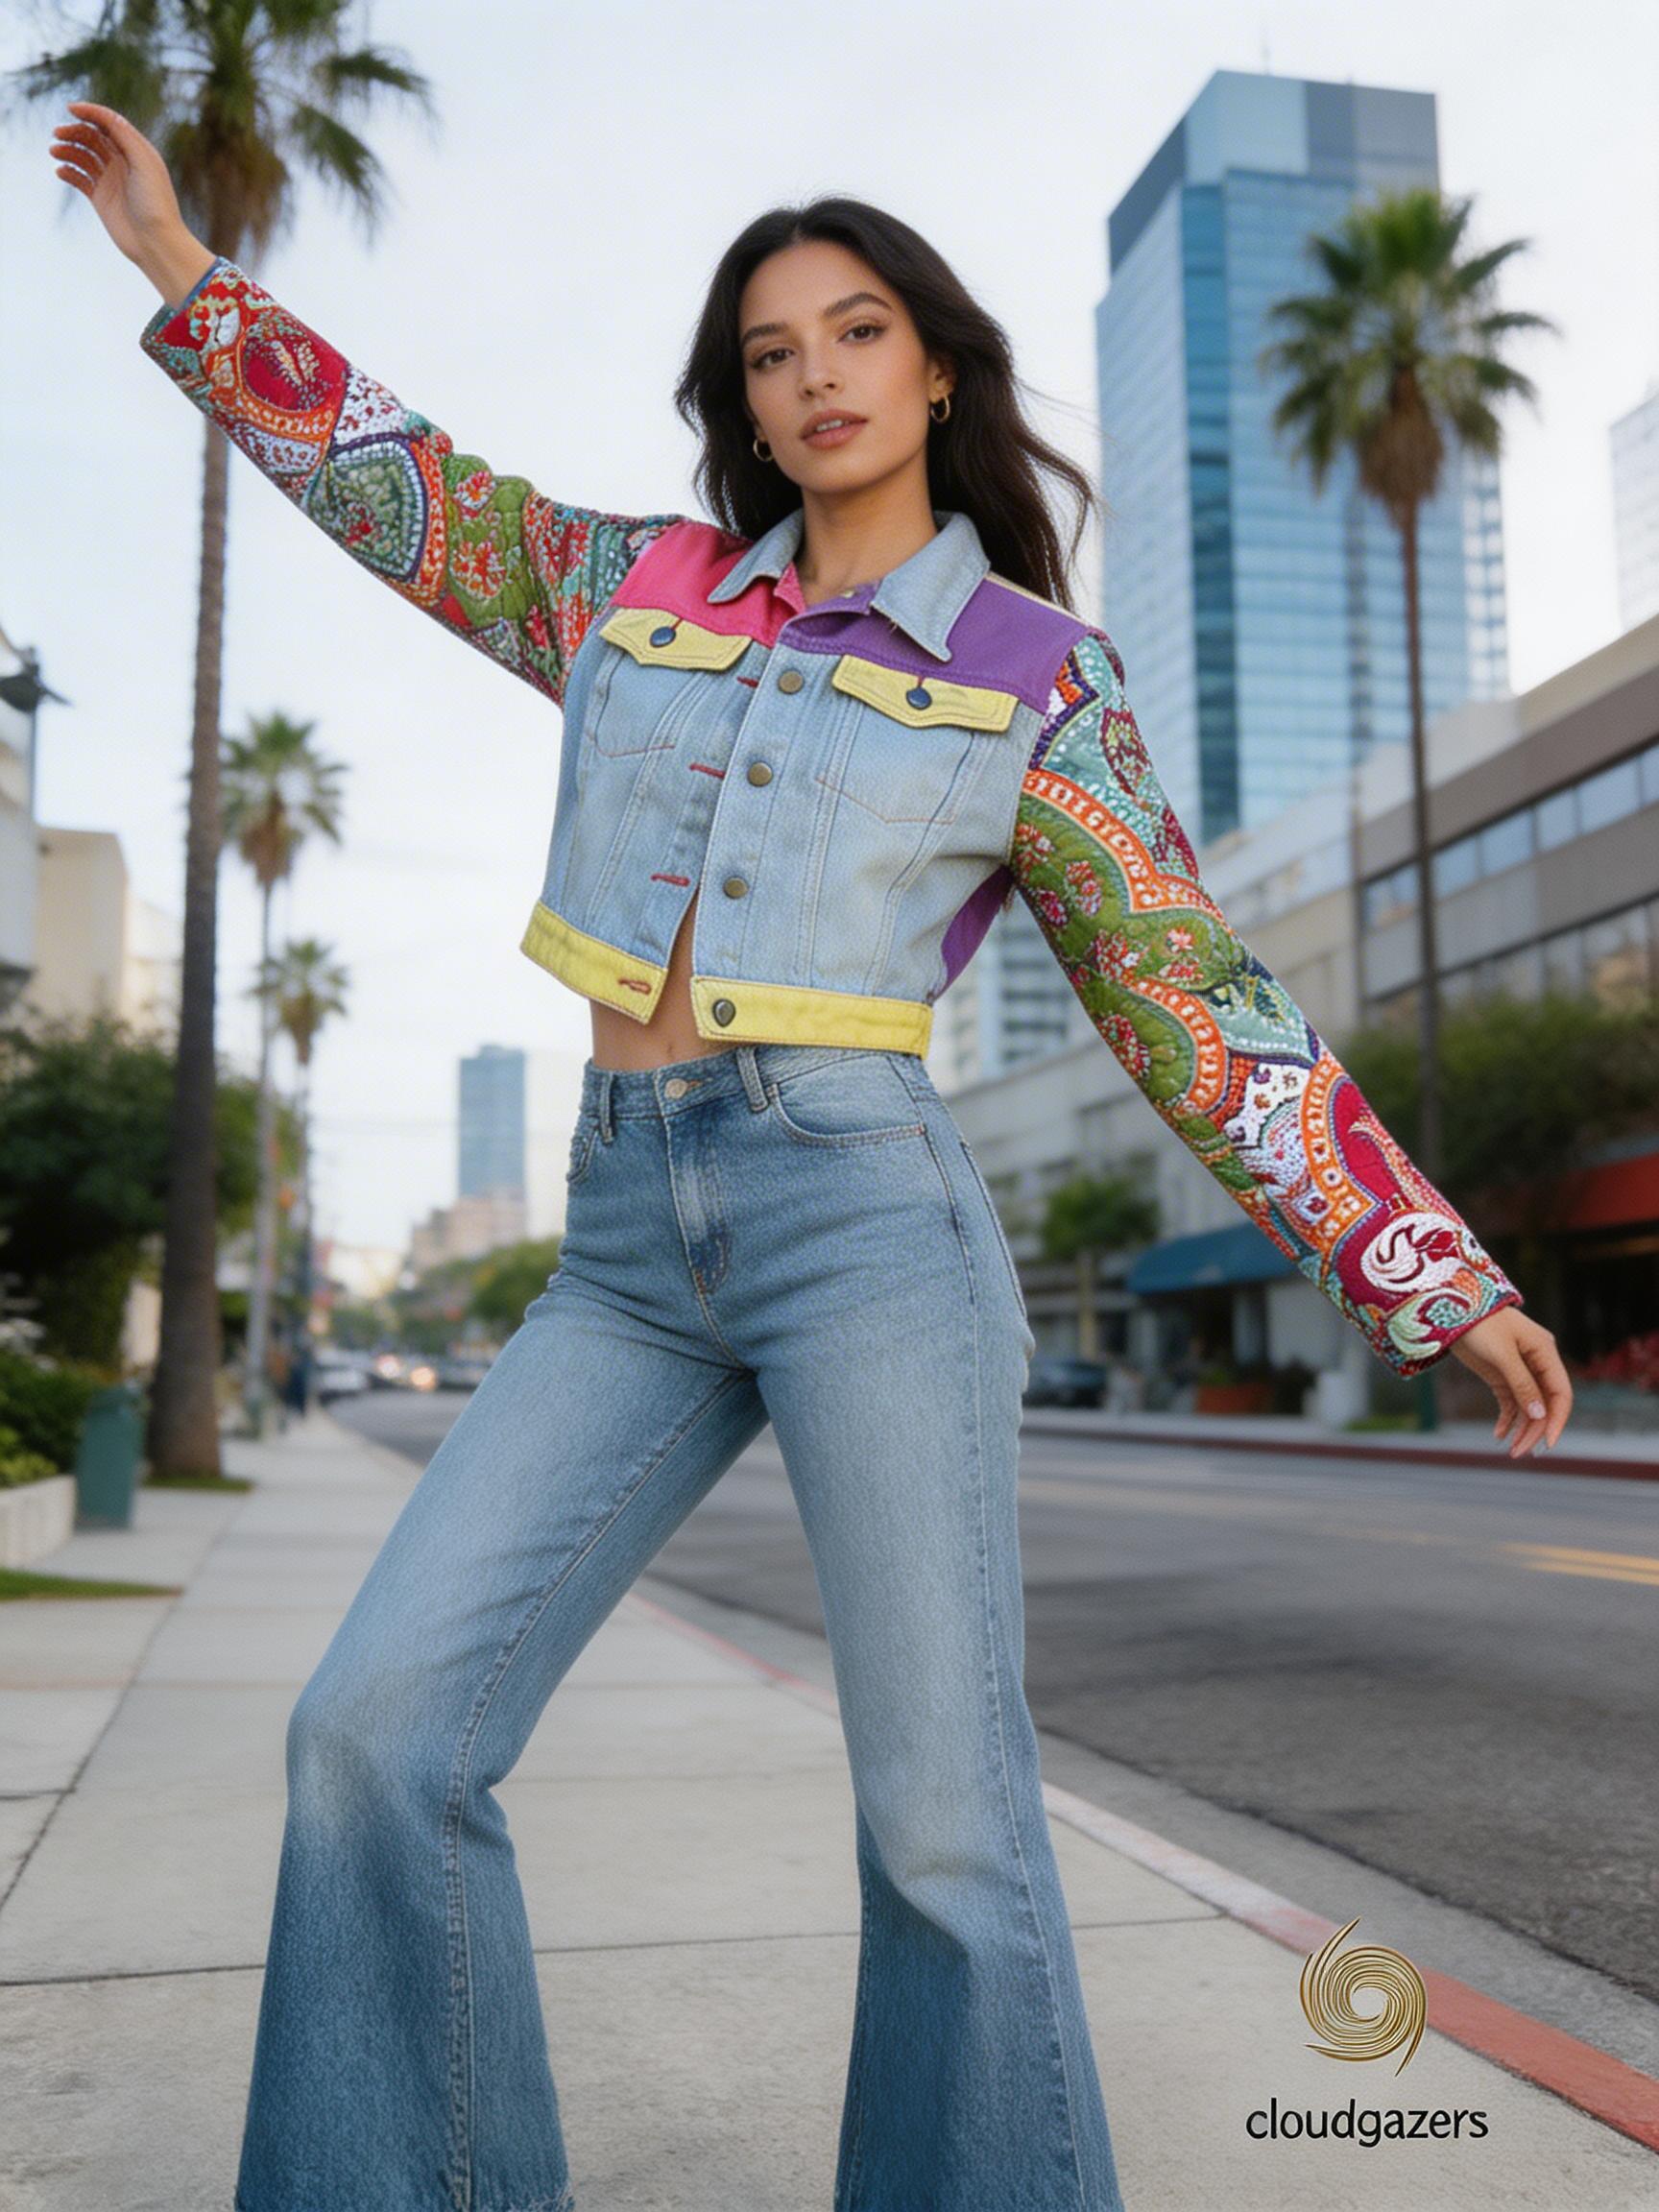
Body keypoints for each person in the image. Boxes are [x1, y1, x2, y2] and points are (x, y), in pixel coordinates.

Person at [52, 100, 1573, 2212]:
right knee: (373, 1732)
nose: (818, 378)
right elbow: (394, 484)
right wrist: (174, 267)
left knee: (945, 1823)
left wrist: (1428, 1267)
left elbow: (1191, 997)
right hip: (612, 1240)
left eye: (857, 332)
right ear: (744, 406)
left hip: (863, 1220)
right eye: (772, 353)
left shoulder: (1040, 681)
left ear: (936, 365)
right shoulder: (627, 589)